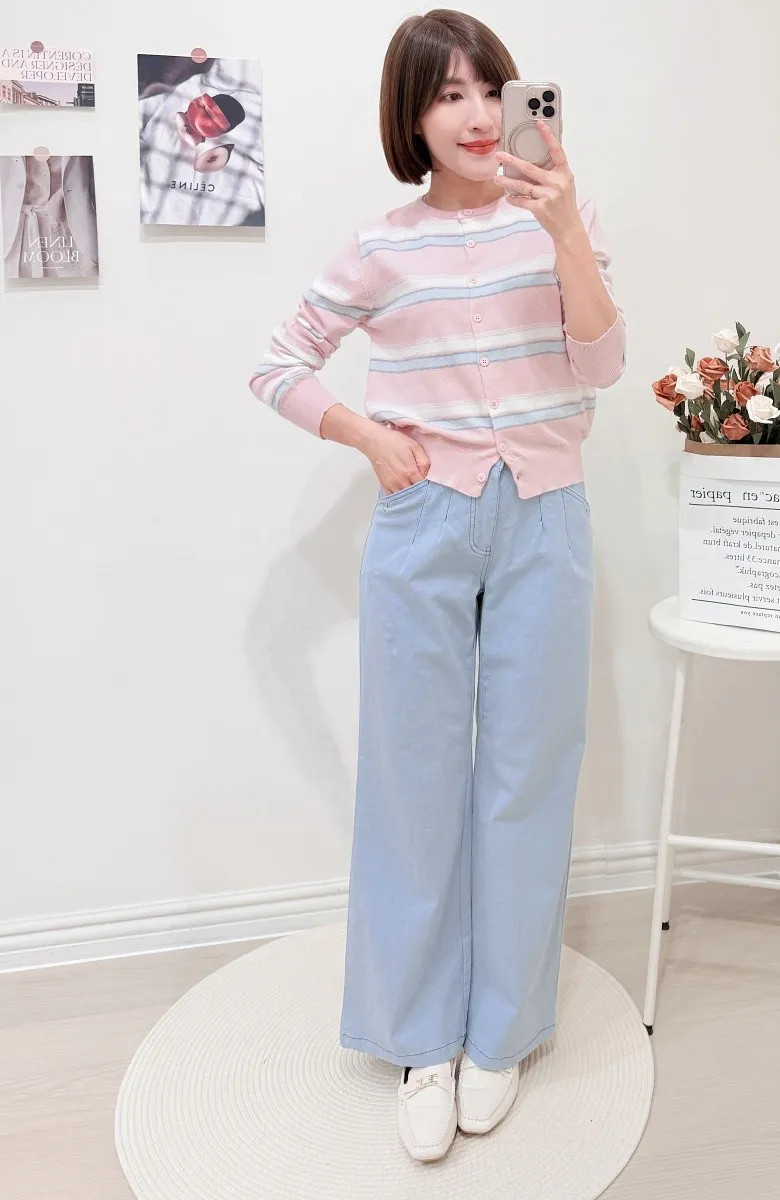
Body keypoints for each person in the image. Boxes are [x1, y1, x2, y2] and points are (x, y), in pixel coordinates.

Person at [249, 8, 625, 1163]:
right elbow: (277, 365)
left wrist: (565, 228)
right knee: (414, 776)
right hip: (423, 522)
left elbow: (604, 361)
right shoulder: (383, 245)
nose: (473, 114)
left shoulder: (559, 219)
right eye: (445, 94)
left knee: (527, 770)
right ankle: (420, 1039)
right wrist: (370, 436)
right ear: (411, 118)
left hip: (547, 514)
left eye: (487, 89)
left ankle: (500, 1033)